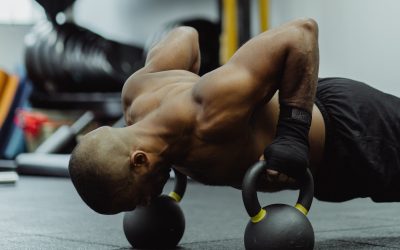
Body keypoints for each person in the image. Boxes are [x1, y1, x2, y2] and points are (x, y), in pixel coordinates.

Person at [69, 18, 400, 215]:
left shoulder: (209, 110)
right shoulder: (136, 96)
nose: (145, 204)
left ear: (139, 160)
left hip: (355, 131)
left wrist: (292, 135)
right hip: (330, 171)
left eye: (136, 198)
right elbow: (185, 35)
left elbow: (301, 33)